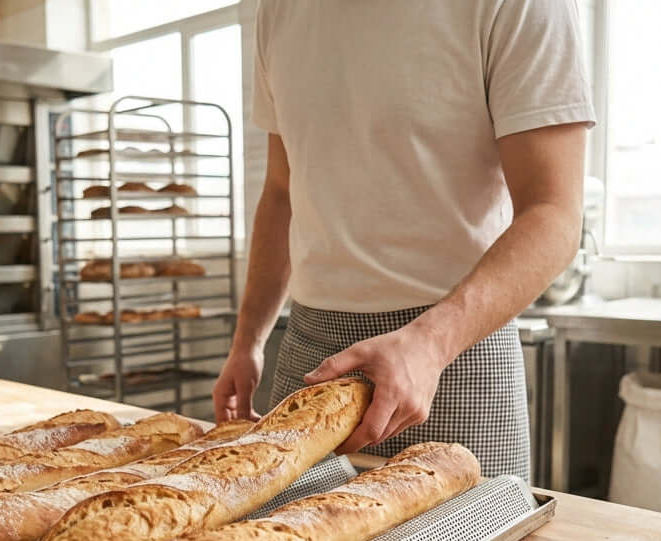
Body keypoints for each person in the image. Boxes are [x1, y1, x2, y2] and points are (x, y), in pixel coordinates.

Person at [213, 0, 595, 480]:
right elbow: (283, 189)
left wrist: (429, 345)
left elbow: (554, 211)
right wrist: (248, 340)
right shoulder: (278, 11)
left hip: (454, 358)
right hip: (310, 358)